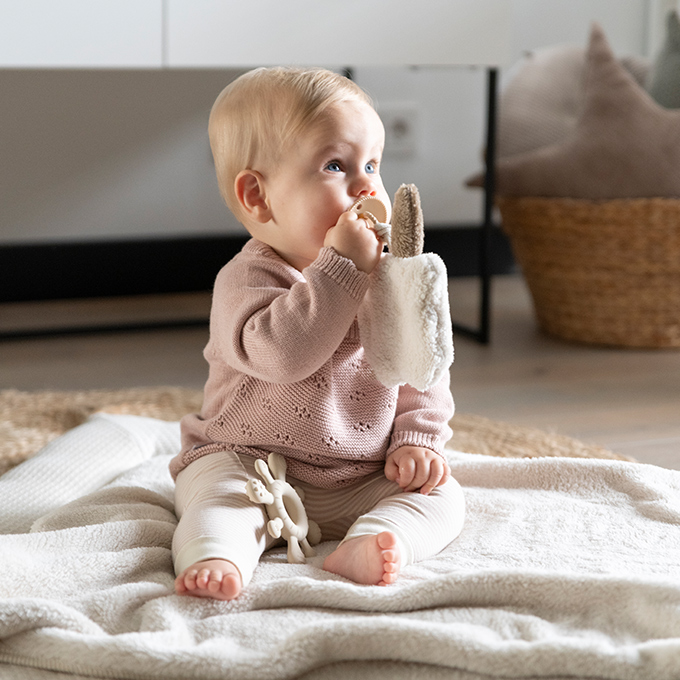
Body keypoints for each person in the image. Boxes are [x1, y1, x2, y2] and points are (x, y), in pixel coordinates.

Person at [170, 67, 464, 601]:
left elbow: (424, 363)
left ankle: (374, 539)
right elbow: (285, 354)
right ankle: (217, 555)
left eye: (372, 164)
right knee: (216, 501)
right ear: (257, 197)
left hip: (361, 473)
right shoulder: (247, 279)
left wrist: (418, 439)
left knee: (443, 497)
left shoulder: (390, 273)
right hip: (251, 463)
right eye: (336, 165)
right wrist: (339, 271)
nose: (367, 187)